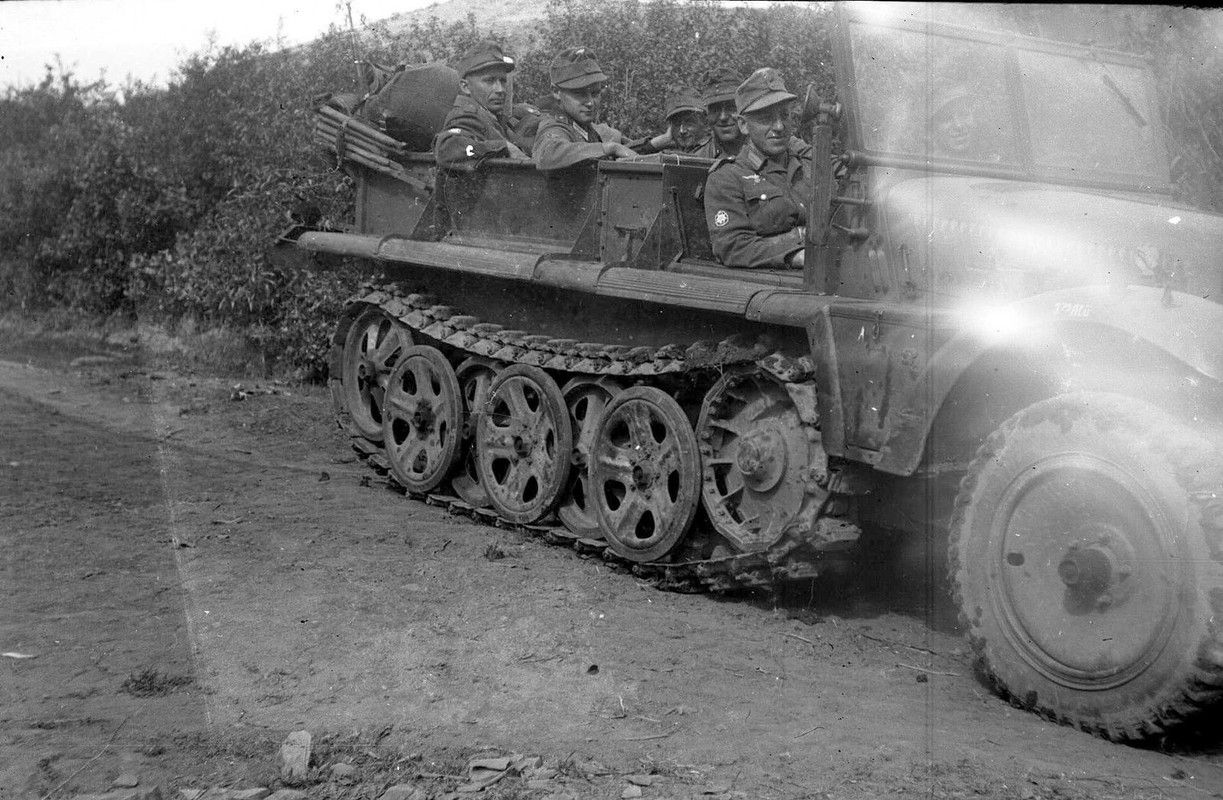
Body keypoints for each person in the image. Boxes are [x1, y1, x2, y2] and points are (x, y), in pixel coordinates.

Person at [703, 68, 813, 270]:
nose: (779, 126)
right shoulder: (727, 179)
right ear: (743, 125)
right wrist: (794, 254)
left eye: (784, 116)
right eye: (766, 118)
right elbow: (733, 247)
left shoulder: (809, 167)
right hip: (772, 283)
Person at [532, 47, 638, 173]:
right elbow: (547, 154)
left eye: (595, 93)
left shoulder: (583, 126)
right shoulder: (555, 126)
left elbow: (624, 147)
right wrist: (610, 148)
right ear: (556, 92)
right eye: (579, 94)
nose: (590, 103)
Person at [434, 40, 528, 169]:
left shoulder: (492, 116)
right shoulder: (468, 116)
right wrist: (503, 147)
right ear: (465, 86)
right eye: (489, 81)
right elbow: (447, 149)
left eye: (502, 81)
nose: (500, 89)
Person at [694, 67, 746, 160]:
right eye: (715, 109)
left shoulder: (764, 150)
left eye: (731, 107)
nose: (723, 117)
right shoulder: (699, 158)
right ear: (707, 116)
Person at [930, 85, 981, 158]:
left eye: (964, 115)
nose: (959, 125)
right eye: (947, 118)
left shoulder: (993, 157)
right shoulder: (924, 163)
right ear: (934, 128)